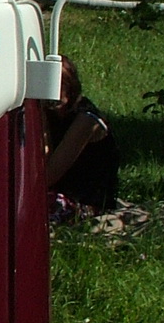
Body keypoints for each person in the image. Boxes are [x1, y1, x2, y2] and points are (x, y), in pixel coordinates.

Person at [46, 55, 119, 220]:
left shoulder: (86, 120)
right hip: (61, 192)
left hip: (87, 201)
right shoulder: (52, 116)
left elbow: (49, 175)